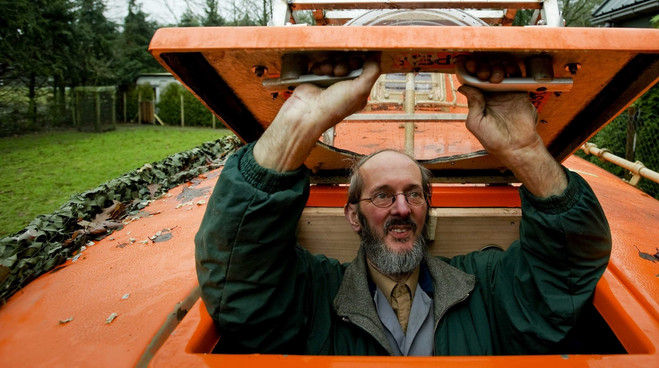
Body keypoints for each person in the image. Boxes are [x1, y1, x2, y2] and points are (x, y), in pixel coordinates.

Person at [195, 54, 612, 356]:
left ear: (427, 210)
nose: (400, 207)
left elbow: (569, 266)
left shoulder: (485, 285)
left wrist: (524, 148)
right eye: (381, 195)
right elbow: (238, 282)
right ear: (352, 215)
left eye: (414, 194)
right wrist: (300, 122)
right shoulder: (315, 293)